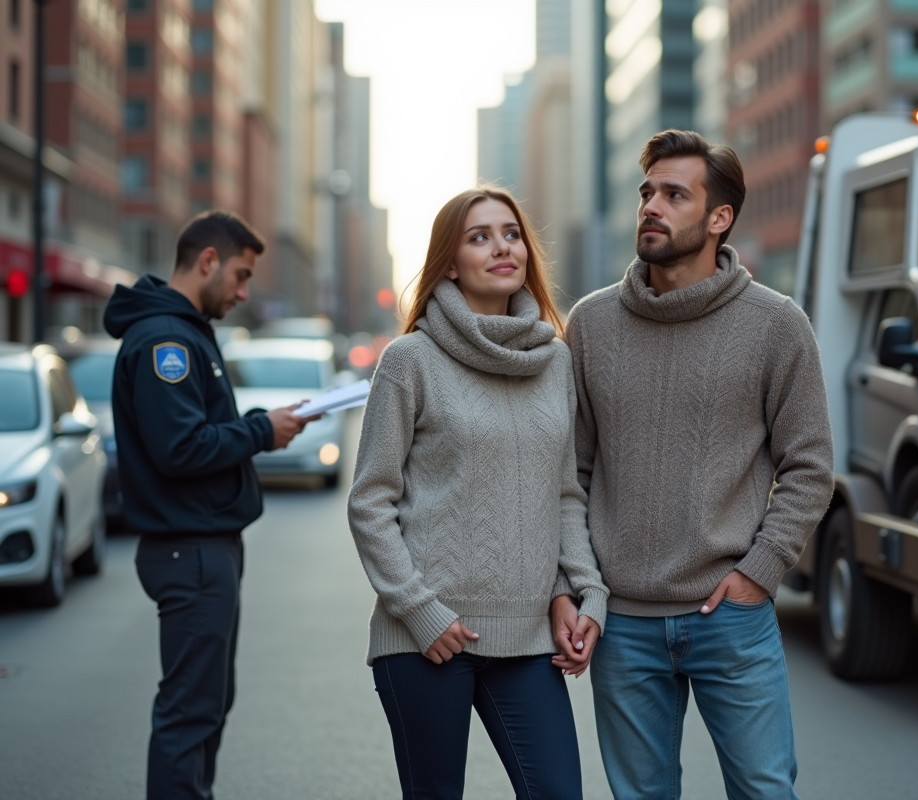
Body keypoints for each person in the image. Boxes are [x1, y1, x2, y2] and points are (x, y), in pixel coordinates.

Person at [553, 130, 835, 799]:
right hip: (621, 622)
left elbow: (810, 465)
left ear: (719, 218)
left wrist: (758, 574)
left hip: (730, 615)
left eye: (674, 194)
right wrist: (581, 585)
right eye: (647, 191)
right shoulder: (590, 325)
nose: (651, 205)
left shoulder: (776, 324)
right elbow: (570, 475)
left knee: (765, 791)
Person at [347, 187, 608, 800]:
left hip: (526, 640)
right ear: (448, 262)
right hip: (427, 639)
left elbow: (563, 493)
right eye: (480, 236)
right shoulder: (410, 360)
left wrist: (583, 589)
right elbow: (370, 502)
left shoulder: (556, 362)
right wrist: (419, 610)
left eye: (511, 233)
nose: (502, 247)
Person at [104, 210, 310, 800]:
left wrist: (254, 428)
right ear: (208, 261)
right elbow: (180, 447)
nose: (245, 292)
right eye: (241, 276)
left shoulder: (183, 331)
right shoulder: (167, 340)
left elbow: (193, 433)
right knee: (191, 711)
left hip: (200, 547)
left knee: (207, 703)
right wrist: (261, 432)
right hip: (189, 550)